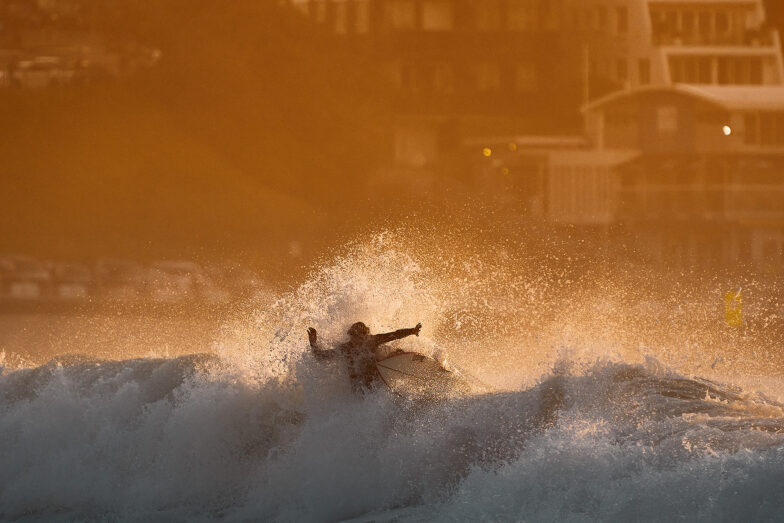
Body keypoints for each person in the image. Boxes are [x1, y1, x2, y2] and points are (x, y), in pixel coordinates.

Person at [307, 321, 422, 394]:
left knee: (396, 351)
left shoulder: (372, 340)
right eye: (353, 336)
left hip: (378, 377)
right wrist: (313, 343)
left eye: (361, 336)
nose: (357, 340)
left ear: (365, 335)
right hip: (359, 385)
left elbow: (394, 334)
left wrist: (412, 331)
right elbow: (321, 357)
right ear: (351, 336)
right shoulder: (346, 348)